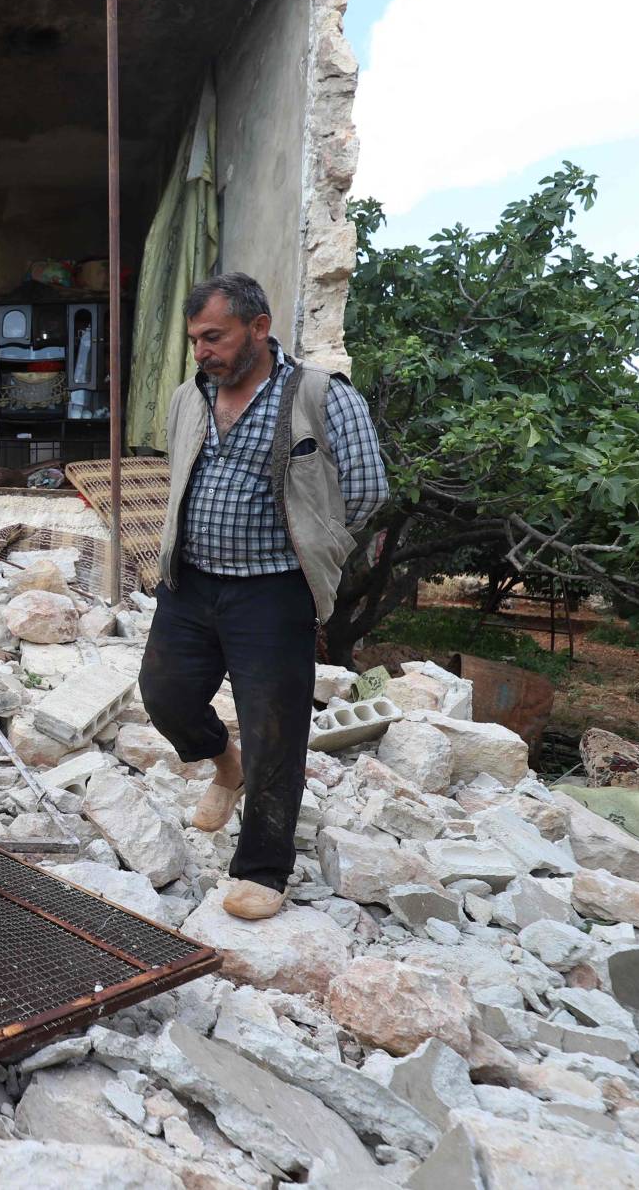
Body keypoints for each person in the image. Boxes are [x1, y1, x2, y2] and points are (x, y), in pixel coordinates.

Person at [139, 272, 388, 920]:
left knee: (275, 731)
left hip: (274, 592)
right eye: (195, 340)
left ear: (259, 327)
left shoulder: (320, 396)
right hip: (191, 581)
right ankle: (228, 765)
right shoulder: (190, 397)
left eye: (214, 337)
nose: (202, 352)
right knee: (164, 694)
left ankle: (262, 868)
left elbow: (366, 490)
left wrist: (314, 543)